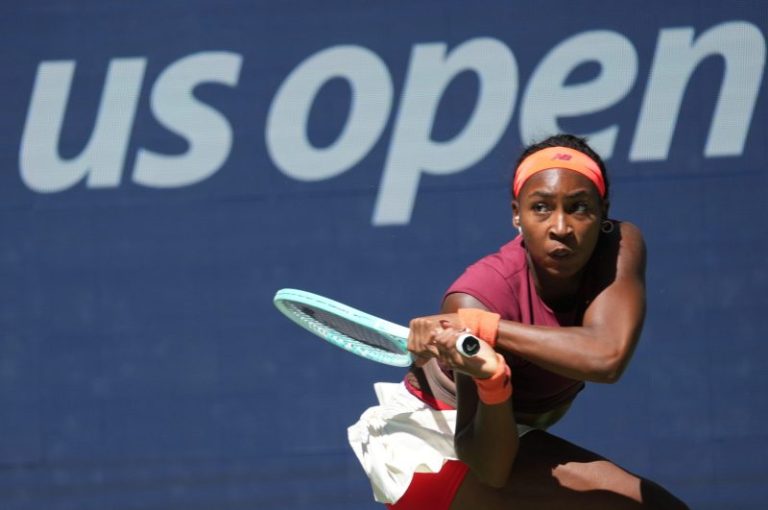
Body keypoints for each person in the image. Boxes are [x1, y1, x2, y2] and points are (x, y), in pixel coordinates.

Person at [347, 134, 689, 509]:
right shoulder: (478, 295)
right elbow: (491, 467)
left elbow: (606, 356)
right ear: (516, 213)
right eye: (541, 207)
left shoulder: (621, 245)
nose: (561, 227)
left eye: (579, 208)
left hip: (506, 441)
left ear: (603, 212)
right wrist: (490, 377)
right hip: (431, 445)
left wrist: (483, 327)